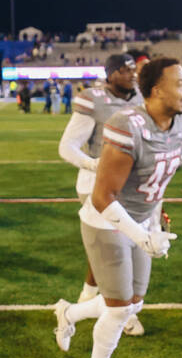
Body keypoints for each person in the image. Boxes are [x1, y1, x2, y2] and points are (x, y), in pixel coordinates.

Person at [57, 56, 182, 358]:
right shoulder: (126, 123)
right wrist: (142, 236)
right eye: (179, 83)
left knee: (134, 303)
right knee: (118, 308)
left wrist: (154, 224)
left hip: (140, 218)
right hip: (105, 220)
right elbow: (102, 197)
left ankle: (69, 313)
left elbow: (158, 183)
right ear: (157, 90)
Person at [54, 53, 145, 338]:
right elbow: (67, 146)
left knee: (114, 246)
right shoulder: (93, 99)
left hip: (129, 186)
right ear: (111, 73)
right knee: (116, 247)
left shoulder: (140, 98)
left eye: (134, 70)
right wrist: (94, 164)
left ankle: (88, 295)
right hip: (96, 184)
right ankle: (121, 310)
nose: (133, 74)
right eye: (126, 70)